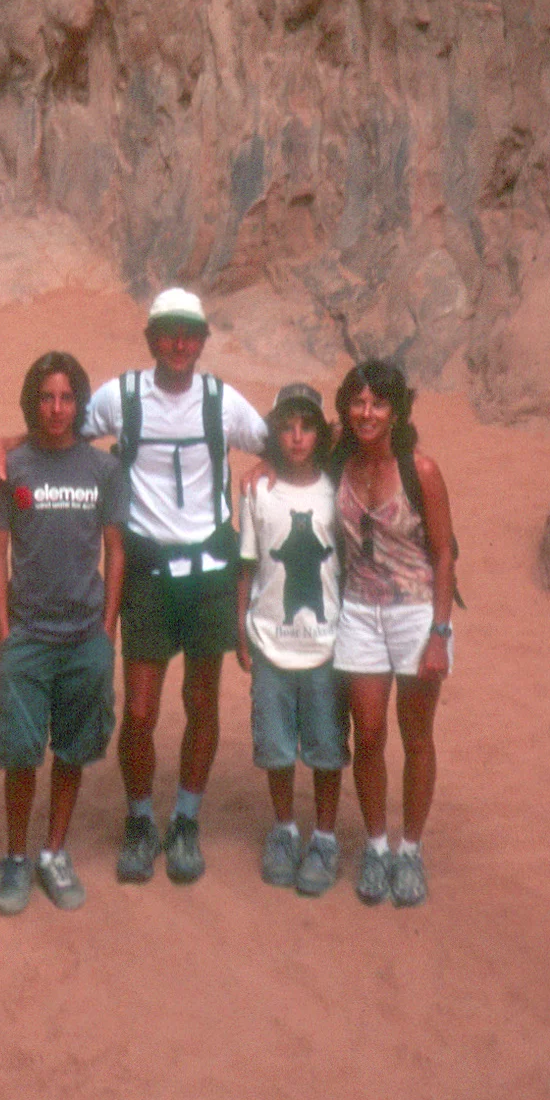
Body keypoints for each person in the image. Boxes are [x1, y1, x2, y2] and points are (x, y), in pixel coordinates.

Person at [0, 288, 267, 885]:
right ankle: (140, 819)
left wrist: (265, 465)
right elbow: (51, 430)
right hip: (147, 571)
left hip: (209, 569)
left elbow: (282, 443)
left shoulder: (223, 402)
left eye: (190, 332)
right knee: (138, 712)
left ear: (203, 340)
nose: (180, 344)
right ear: (151, 339)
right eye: (168, 332)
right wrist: (1, 442)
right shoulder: (123, 396)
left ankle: (184, 819)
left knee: (202, 703)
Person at [0, 351, 126, 914]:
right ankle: (16, 856)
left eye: (67, 397)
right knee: (20, 752)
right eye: (47, 396)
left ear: (80, 403)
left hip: (85, 635)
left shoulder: (102, 471)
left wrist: (107, 630)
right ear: (32, 401)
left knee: (72, 748)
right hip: (28, 636)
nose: (57, 408)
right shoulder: (12, 470)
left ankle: (53, 852)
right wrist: (3, 633)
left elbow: (116, 553)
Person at [332, 357, 455, 908]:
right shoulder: (340, 462)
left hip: (414, 611)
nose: (367, 412)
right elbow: (291, 443)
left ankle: (411, 849)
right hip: (357, 610)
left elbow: (445, 552)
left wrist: (440, 633)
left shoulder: (421, 471)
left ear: (397, 409)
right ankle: (377, 845)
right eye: (358, 401)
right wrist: (263, 467)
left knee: (416, 733)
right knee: (369, 732)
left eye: (378, 402)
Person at [234, 382, 347, 896]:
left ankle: (324, 836)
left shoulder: (337, 490)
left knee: (326, 747)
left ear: (320, 432)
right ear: (274, 433)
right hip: (270, 639)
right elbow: (248, 564)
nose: (297, 437)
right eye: (287, 427)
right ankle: (284, 829)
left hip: (325, 644)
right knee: (276, 747)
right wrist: (241, 626)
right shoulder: (259, 491)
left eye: (306, 427)